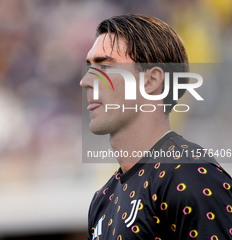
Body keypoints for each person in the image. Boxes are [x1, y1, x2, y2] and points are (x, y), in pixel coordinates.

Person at [80, 14, 232, 240]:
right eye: (90, 67)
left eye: (105, 66)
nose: (86, 81)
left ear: (152, 81)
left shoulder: (189, 175)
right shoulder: (102, 200)